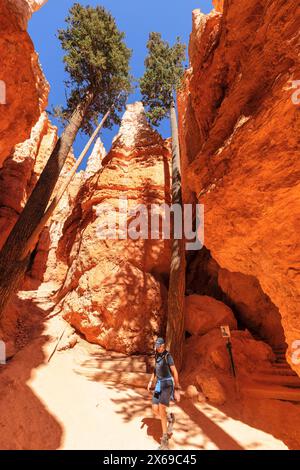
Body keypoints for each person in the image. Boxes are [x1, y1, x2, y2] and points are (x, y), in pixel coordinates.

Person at [147, 337, 181, 450]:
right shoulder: (157, 355)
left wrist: (177, 388)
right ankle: (170, 418)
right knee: (155, 409)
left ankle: (165, 440)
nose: (158, 348)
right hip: (158, 385)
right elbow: (155, 370)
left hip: (167, 384)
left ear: (163, 346)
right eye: (157, 347)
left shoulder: (168, 356)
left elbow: (175, 372)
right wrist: (151, 381)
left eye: (160, 346)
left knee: (161, 408)